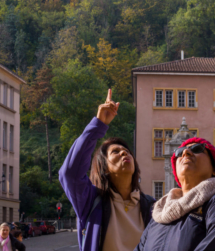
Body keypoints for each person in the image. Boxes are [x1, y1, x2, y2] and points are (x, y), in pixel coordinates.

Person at [59, 89, 156, 251]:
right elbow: (70, 172)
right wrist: (98, 124)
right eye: (115, 152)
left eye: (126, 151)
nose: (124, 152)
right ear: (104, 168)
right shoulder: (91, 201)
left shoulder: (151, 207)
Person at [135, 136, 215, 251]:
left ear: (214, 169)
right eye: (179, 152)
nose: (185, 152)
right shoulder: (158, 215)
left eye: (197, 149)